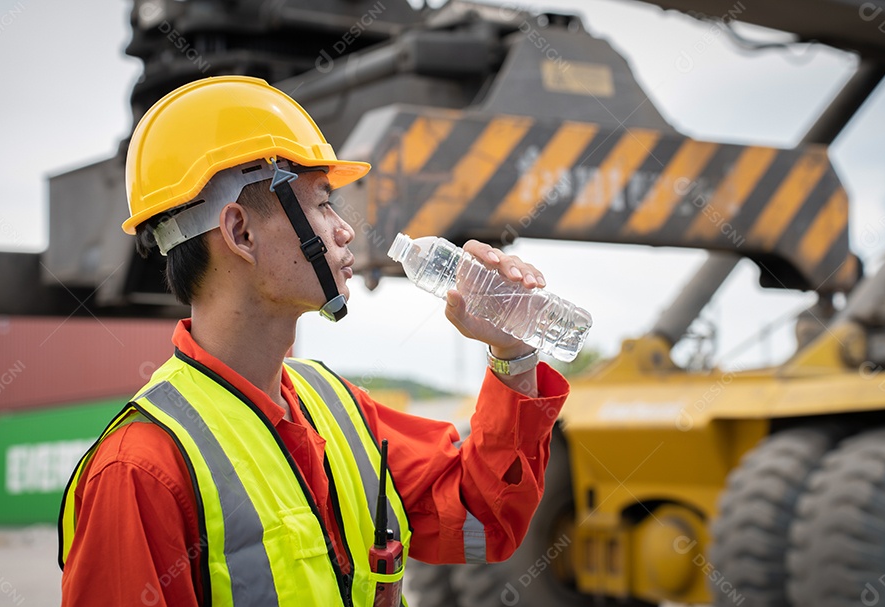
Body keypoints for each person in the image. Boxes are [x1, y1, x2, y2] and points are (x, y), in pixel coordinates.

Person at [58, 76, 570, 606]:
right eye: (323, 205)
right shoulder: (140, 470)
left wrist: (513, 354)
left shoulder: (335, 406)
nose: (344, 230)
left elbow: (481, 519)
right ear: (240, 233)